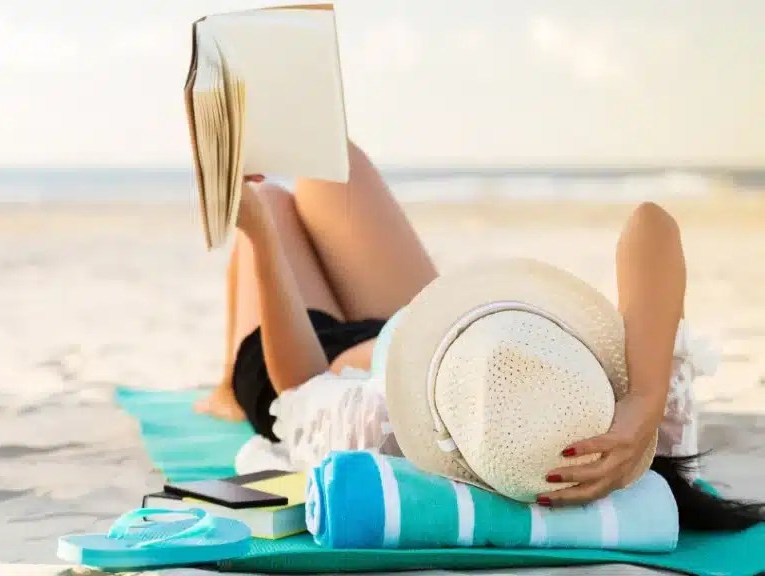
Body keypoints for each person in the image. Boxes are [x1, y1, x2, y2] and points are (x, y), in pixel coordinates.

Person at [194, 140, 765, 530]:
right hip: (431, 327)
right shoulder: (632, 422)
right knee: (326, 161)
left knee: (269, 202)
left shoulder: (379, 434)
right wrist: (641, 402)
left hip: (312, 352)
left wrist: (261, 236)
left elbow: (299, 389)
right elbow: (652, 224)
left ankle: (227, 384)